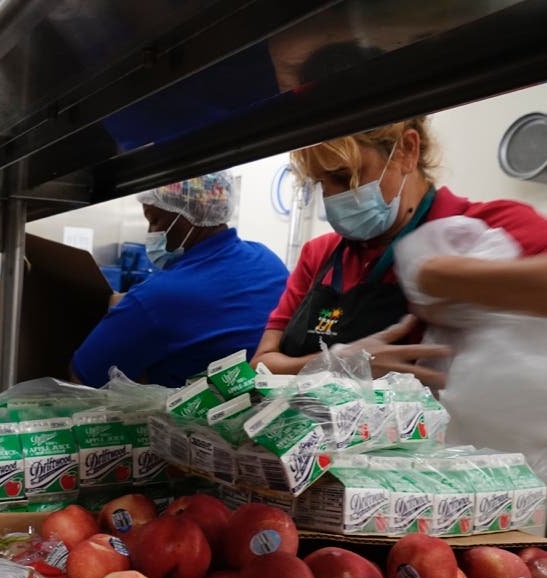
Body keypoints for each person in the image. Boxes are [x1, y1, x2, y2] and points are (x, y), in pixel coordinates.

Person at [250, 116, 547, 388]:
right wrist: (336, 366)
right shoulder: (321, 254)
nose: (331, 199)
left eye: (344, 177)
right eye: (320, 185)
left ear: (406, 150)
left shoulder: (491, 228)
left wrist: (442, 276)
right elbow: (263, 364)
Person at [72, 172, 289, 388]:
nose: (150, 233)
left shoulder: (160, 296)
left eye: (155, 221)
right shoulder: (268, 260)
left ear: (189, 215)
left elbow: (83, 379)